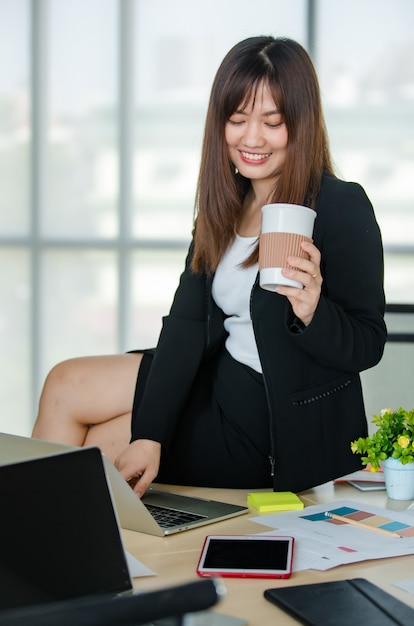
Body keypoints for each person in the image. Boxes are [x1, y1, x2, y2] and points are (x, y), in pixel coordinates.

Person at [32, 36, 387, 497]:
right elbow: (186, 326)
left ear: (301, 124)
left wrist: (312, 310)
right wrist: (150, 433)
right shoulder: (225, 208)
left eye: (272, 122)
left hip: (269, 422)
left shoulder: (340, 206)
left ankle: (48, 549)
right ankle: (32, 546)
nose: (251, 138)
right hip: (217, 379)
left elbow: (368, 344)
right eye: (237, 120)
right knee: (66, 382)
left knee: (97, 444)